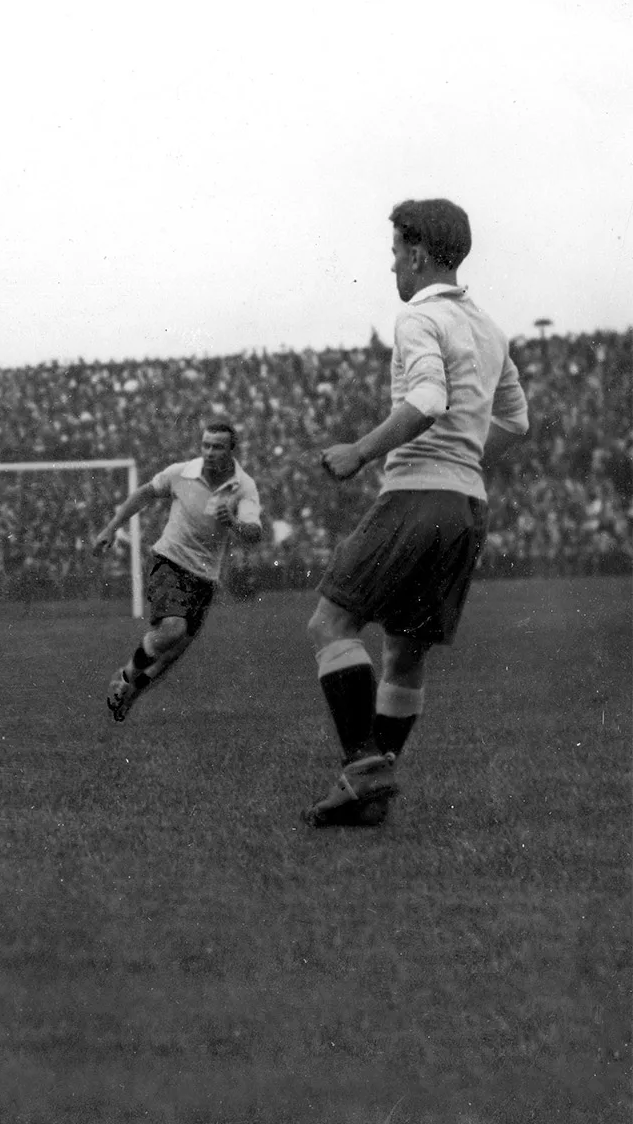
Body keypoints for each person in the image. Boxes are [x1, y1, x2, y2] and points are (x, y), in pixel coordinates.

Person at [304, 198, 529, 827]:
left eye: (396, 252)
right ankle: (366, 792)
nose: (393, 266)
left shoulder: (417, 318)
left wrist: (360, 451)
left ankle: (363, 768)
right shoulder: (487, 327)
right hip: (466, 504)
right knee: (404, 654)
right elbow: (517, 420)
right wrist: (465, 459)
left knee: (331, 624)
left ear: (419, 251)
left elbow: (427, 397)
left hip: (416, 495)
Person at [91, 421, 264, 722]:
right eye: (205, 445)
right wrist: (110, 528)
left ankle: (132, 692)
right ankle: (126, 674)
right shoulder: (181, 472)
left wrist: (234, 523)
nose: (209, 452)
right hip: (169, 560)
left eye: (218, 446)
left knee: (173, 652)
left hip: (205, 576)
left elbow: (254, 533)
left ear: (232, 450)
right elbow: (143, 494)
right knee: (173, 630)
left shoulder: (244, 486)